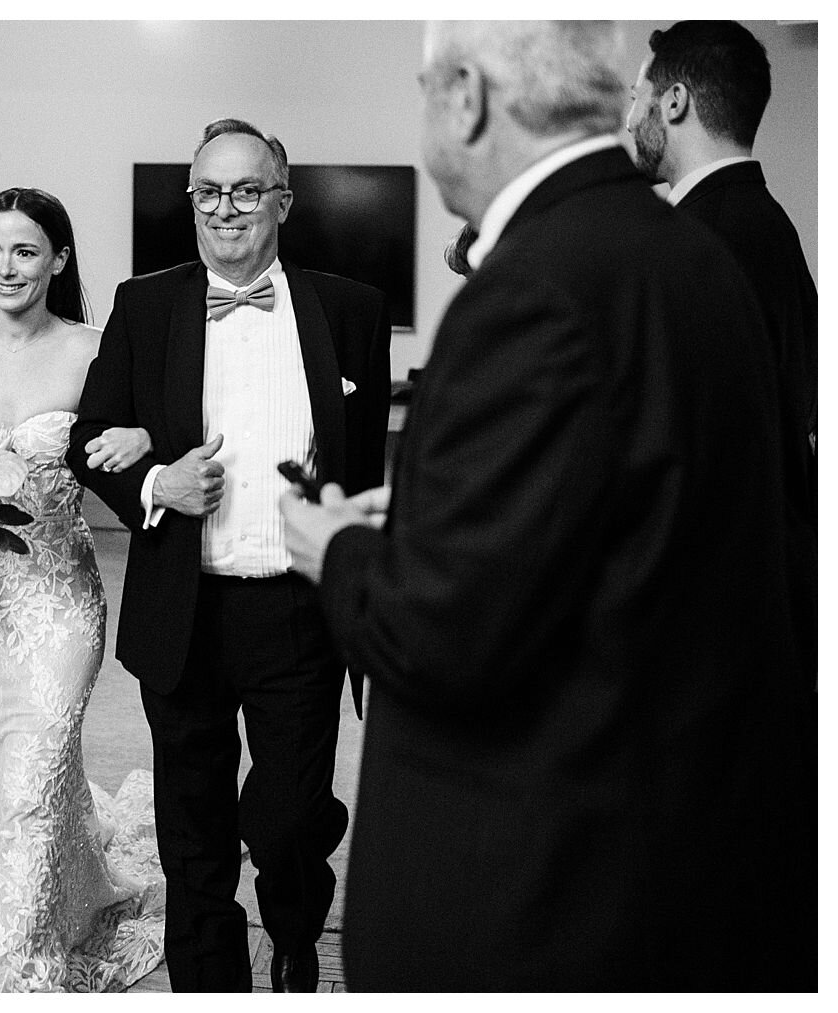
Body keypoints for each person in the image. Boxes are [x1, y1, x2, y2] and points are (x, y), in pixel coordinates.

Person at [279, 21, 813, 989]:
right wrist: (437, 506)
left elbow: (437, 637)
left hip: (537, 895)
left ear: (467, 97)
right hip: (675, 846)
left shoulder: (534, 289)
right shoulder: (684, 253)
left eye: (422, 90)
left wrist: (336, 549)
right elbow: (624, 506)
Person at [66, 119, 390, 992]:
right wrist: (152, 487)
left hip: (299, 607)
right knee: (192, 828)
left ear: (282, 201)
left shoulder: (351, 311)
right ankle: (209, 986)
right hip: (186, 606)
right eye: (207, 191)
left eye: (247, 190)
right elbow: (85, 436)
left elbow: (366, 469)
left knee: (288, 819)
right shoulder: (147, 304)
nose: (225, 208)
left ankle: (292, 932)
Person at [0, 187, 165, 992]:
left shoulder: (97, 350)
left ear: (58, 258)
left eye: (24, 250)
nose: (4, 267)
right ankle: (57, 896)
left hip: (59, 597)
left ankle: (6, 962)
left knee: (39, 759)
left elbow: (142, 443)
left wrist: (148, 438)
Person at [626, 19, 817, 700]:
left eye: (636, 98)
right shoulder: (768, 225)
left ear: (673, 103)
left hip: (712, 617)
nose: (629, 119)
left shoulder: (694, 243)